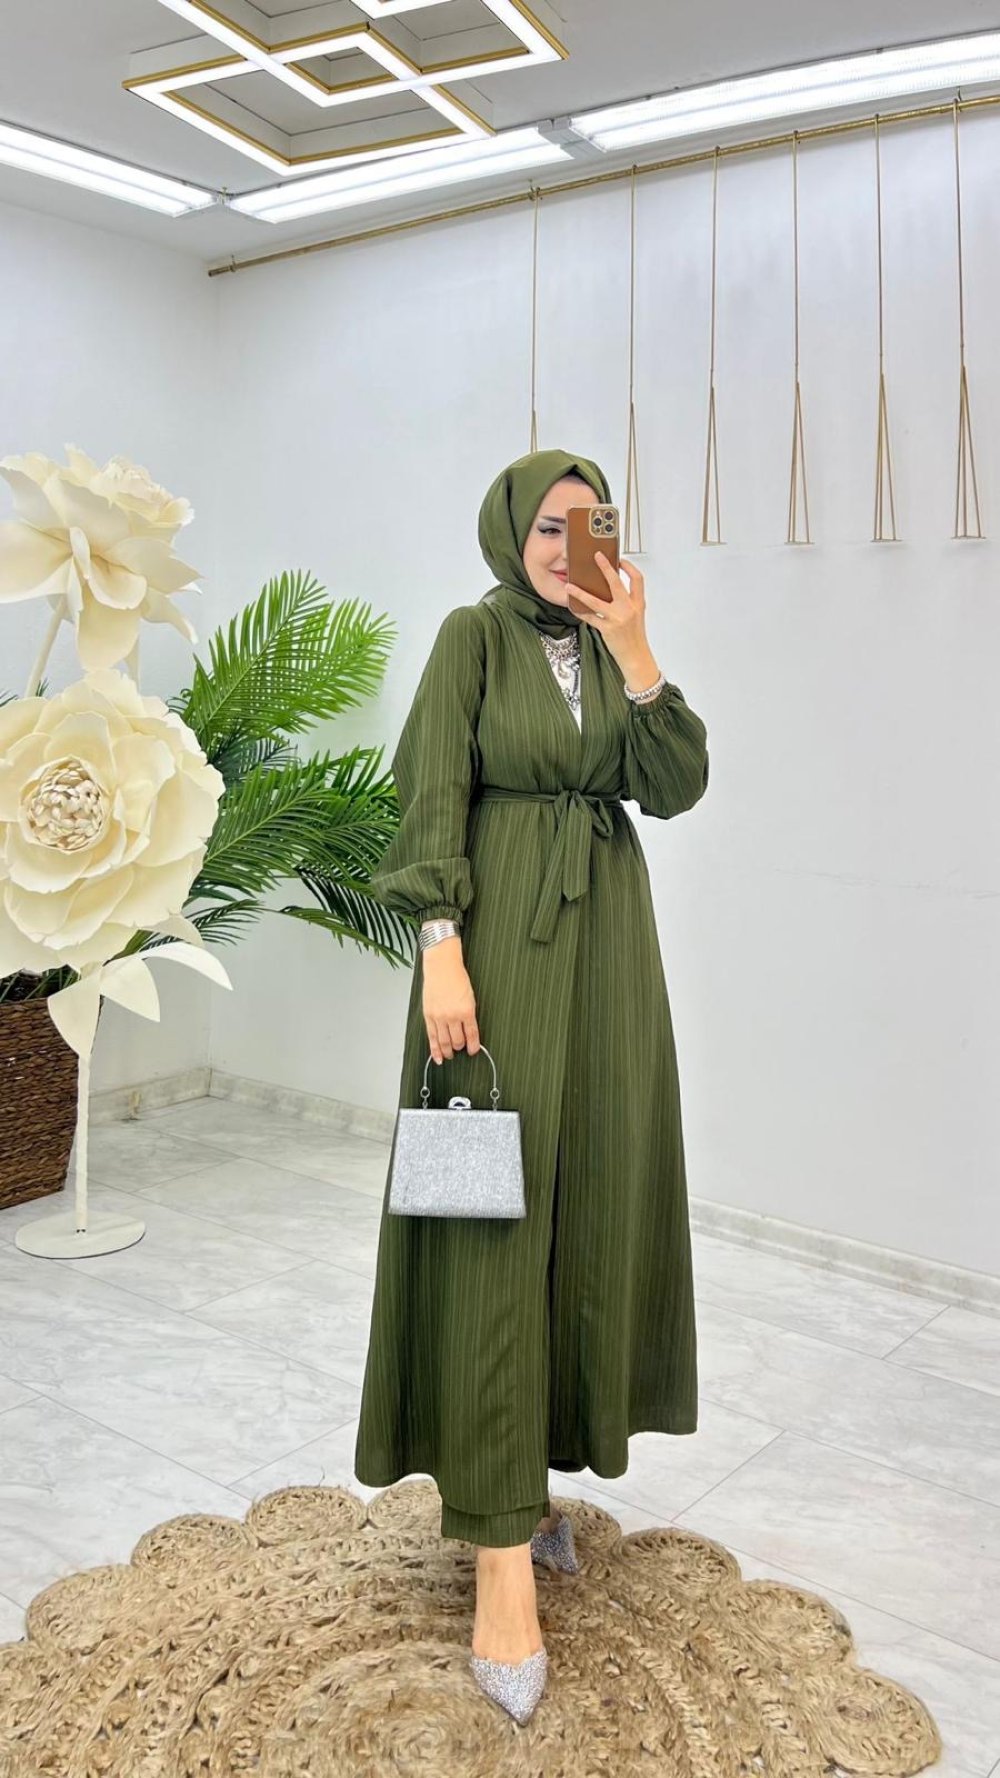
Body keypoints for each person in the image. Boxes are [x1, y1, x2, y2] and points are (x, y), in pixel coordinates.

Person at [354, 447, 710, 1723]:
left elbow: (674, 784)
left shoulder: (610, 648)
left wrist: (637, 646)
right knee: (489, 1225)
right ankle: (499, 1556)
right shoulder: (472, 636)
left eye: (592, 523)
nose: (571, 546)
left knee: (586, 1204)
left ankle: (533, 1481)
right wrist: (440, 947)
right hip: (497, 947)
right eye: (551, 526)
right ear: (510, 531)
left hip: (609, 959)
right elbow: (428, 794)